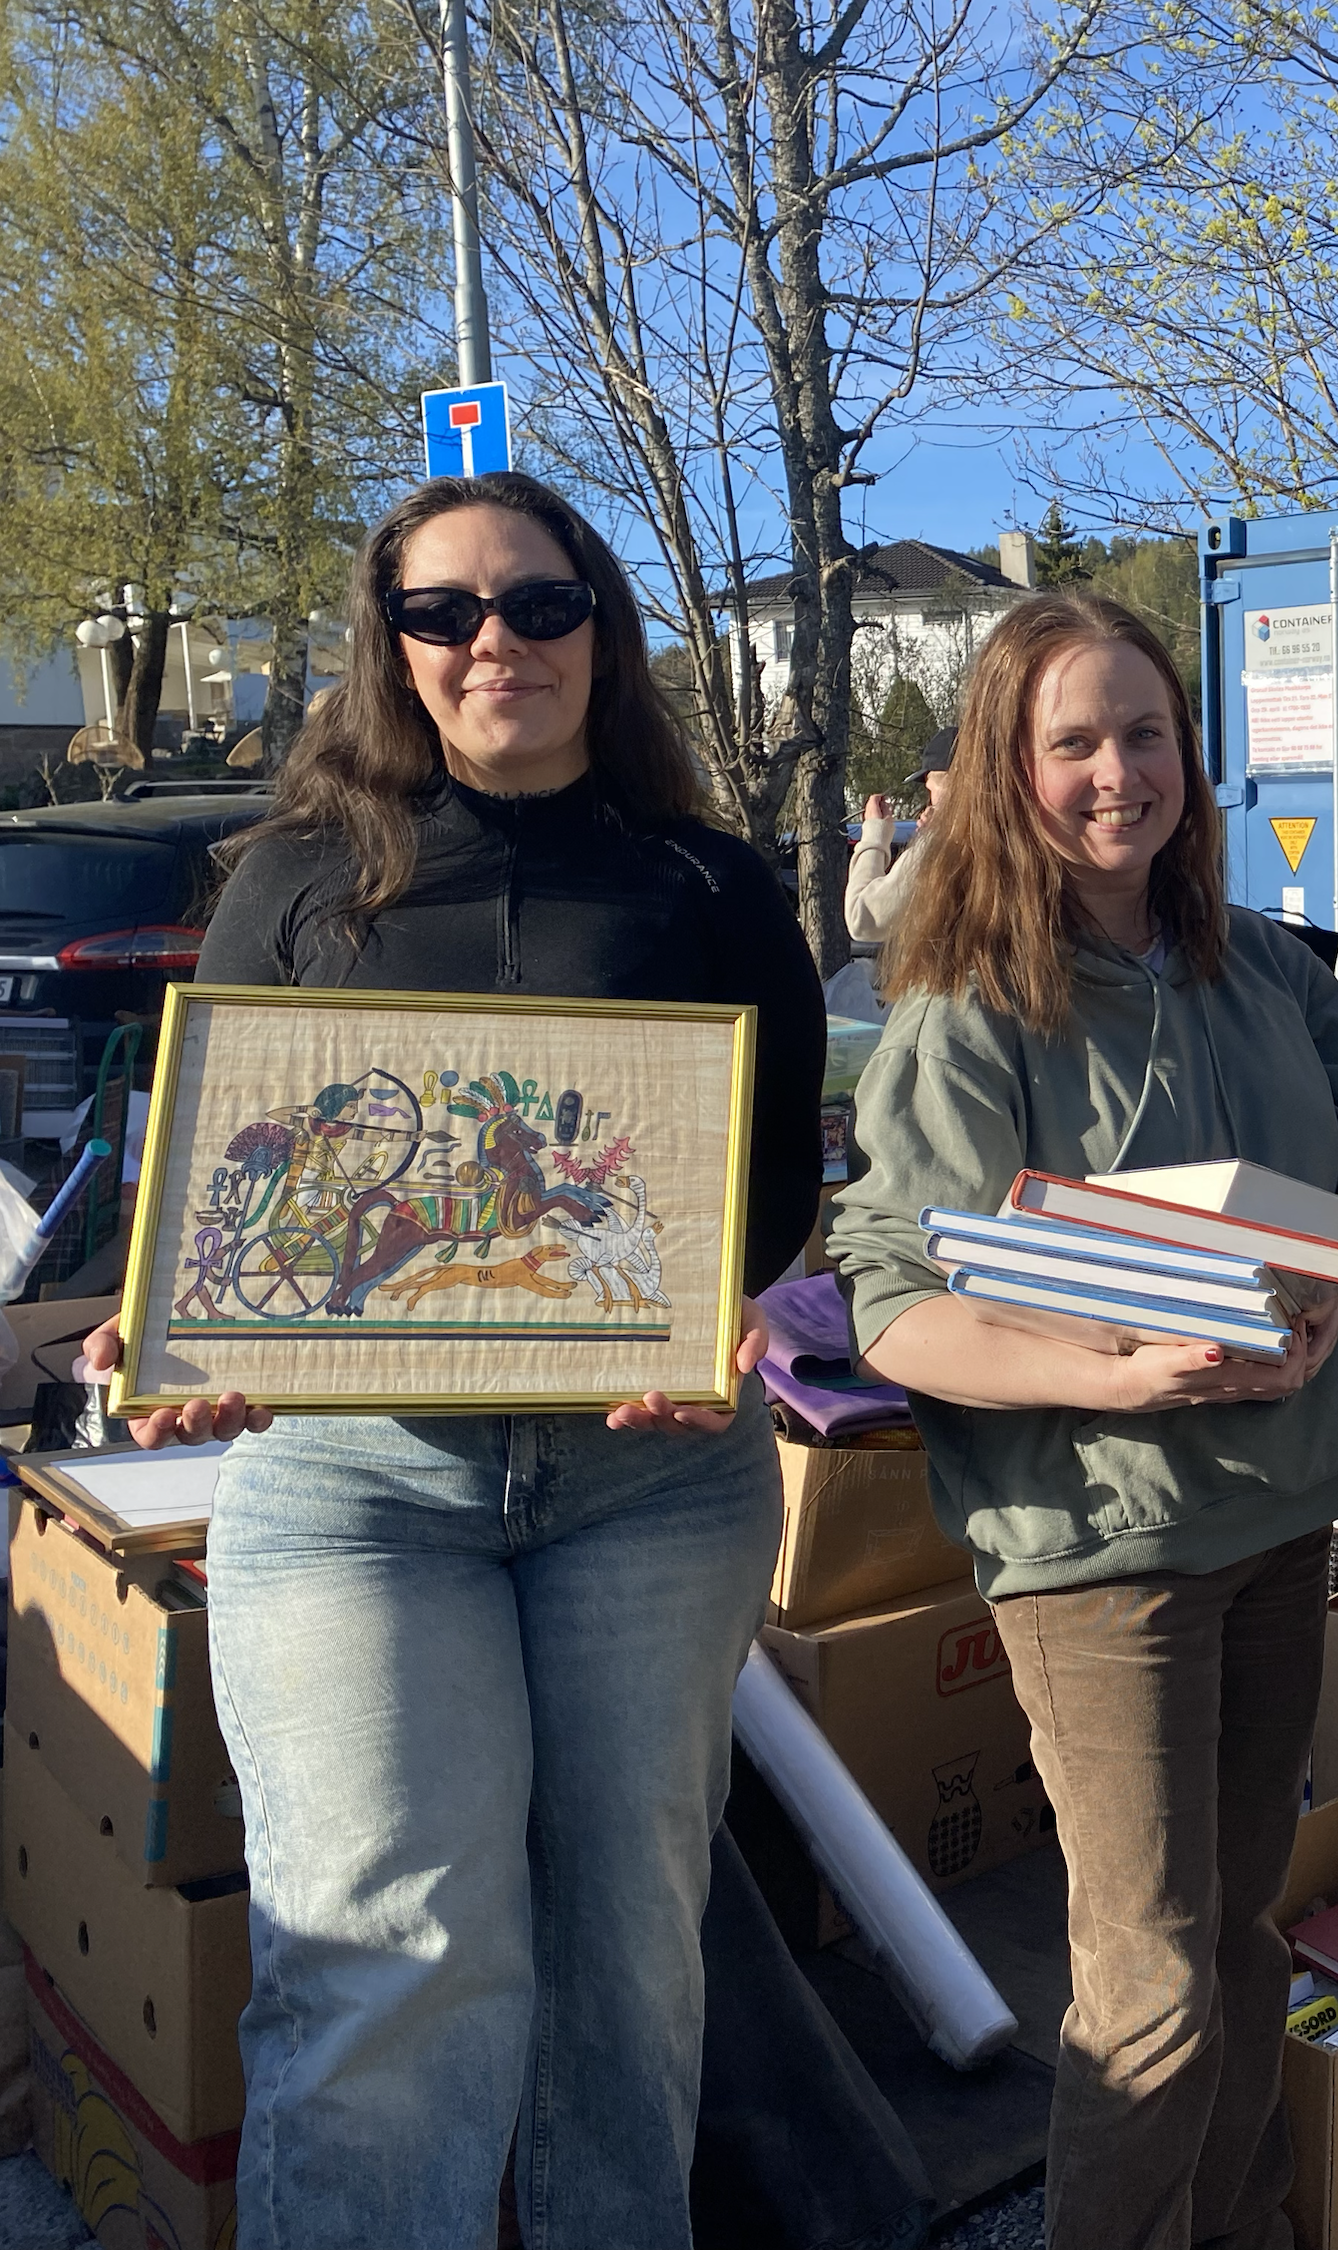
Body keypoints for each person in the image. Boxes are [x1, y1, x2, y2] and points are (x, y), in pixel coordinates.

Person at [82, 470, 827, 2249]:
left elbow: (776, 1182)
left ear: (602, 630)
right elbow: (225, 1184)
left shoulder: (710, 883)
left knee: (626, 1961)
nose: (498, 641)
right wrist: (180, 1322)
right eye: (446, 612)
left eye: (541, 604)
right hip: (360, 1486)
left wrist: (723, 1310)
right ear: (392, 645)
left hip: (651, 1485)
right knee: (387, 1953)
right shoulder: (292, 880)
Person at [828, 591, 1338, 2250]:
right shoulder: (969, 1007)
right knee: (1147, 1977)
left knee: (1243, 1945)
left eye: (1144, 734)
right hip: (1103, 1557)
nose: (1115, 773)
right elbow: (895, 1303)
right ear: (1007, 770)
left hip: (1283, 1519)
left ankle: (1244, 2226)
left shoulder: (1269, 964)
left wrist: (1336, 1274)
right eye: (1070, 741)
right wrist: (1110, 1375)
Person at [847, 725, 954, 942]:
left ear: (951, 784)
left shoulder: (949, 843)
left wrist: (875, 835)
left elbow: (863, 919)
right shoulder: (1020, 835)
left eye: (930, 788)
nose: (929, 801)